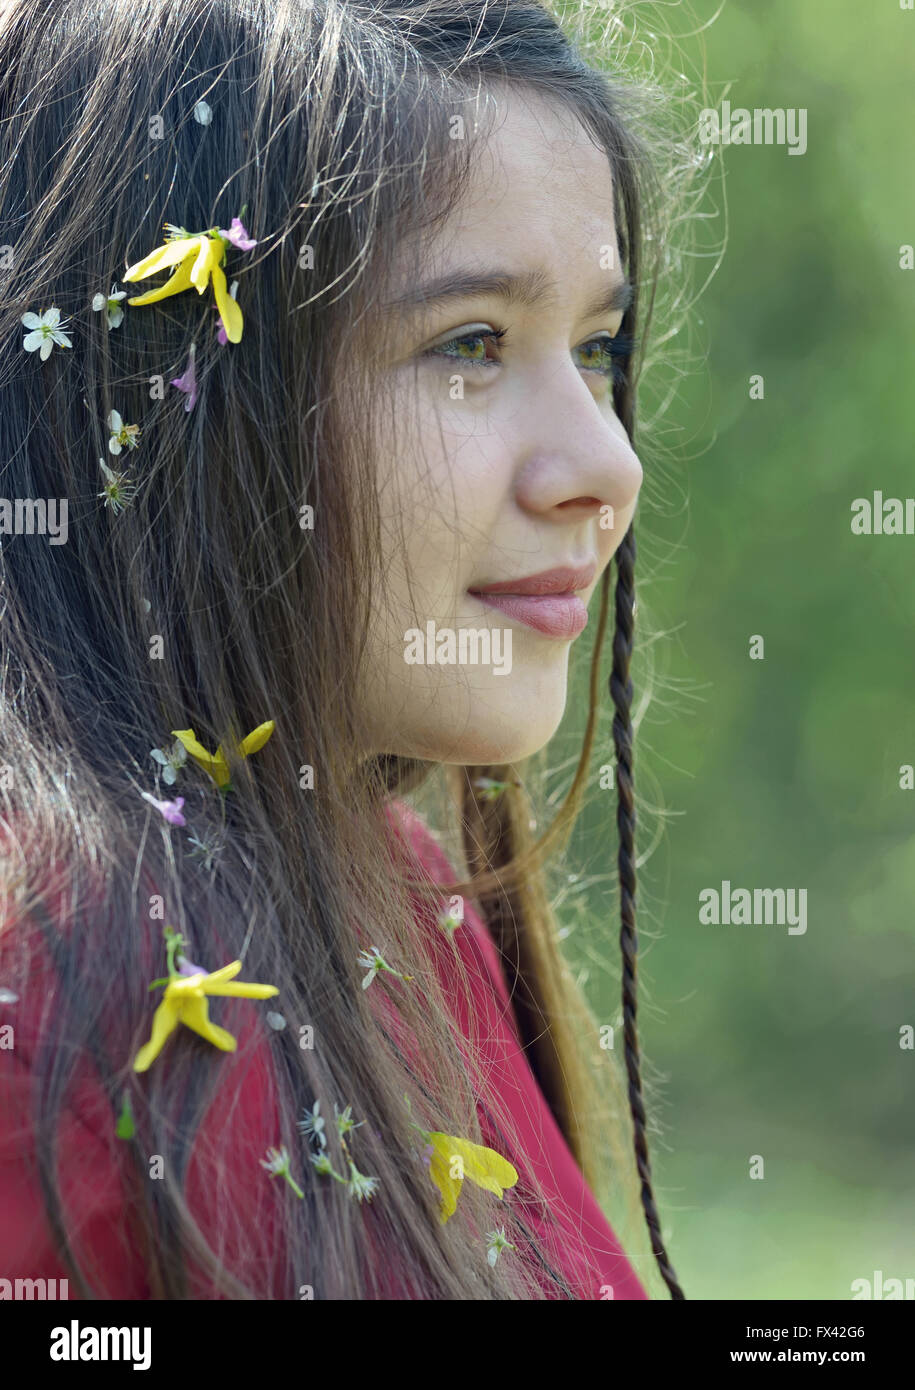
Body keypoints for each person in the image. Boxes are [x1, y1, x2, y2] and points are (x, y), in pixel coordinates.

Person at [0, 0, 688, 1299]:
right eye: (471, 343)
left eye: (596, 348)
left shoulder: (393, 889)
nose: (611, 464)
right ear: (168, 410)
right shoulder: (50, 1012)